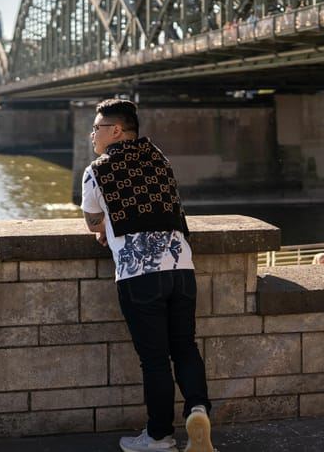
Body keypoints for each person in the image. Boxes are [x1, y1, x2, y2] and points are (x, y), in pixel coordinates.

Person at [81, 98, 213, 452]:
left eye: (96, 128)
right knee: (184, 346)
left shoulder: (98, 170)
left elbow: (94, 220)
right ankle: (198, 409)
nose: (92, 134)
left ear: (116, 131)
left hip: (138, 275)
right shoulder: (160, 159)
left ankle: (159, 436)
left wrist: (104, 230)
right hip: (182, 268)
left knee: (154, 360)